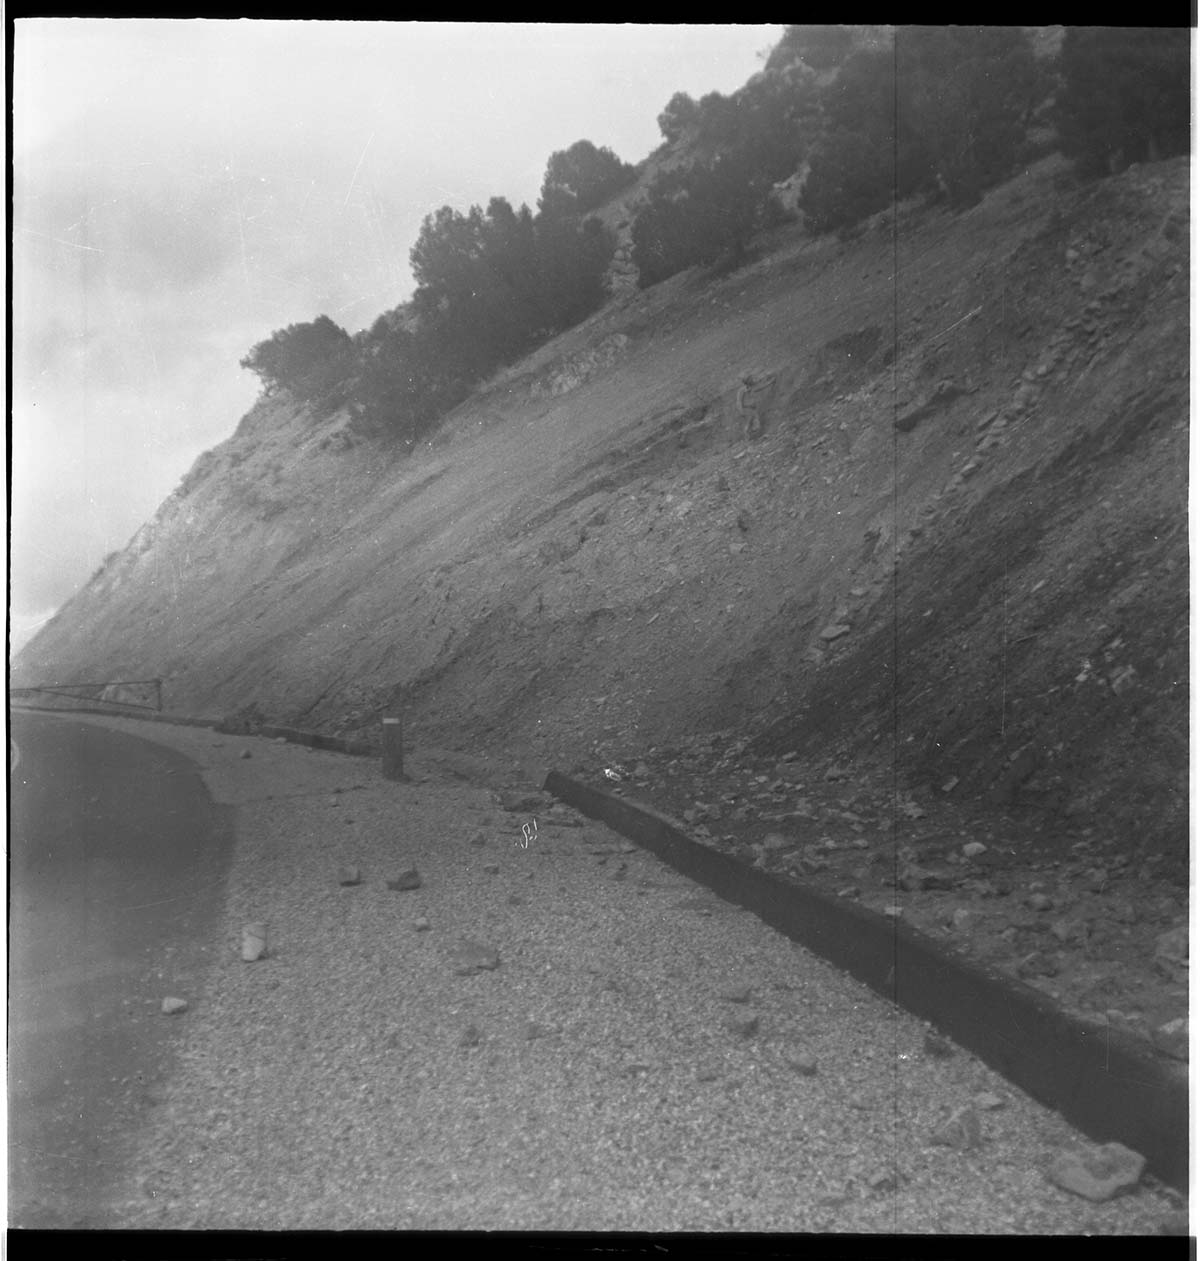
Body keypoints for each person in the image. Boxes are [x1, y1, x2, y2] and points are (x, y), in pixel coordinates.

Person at [737, 373, 763, 438]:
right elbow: (739, 401)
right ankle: (747, 437)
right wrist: (741, 411)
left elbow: (761, 387)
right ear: (746, 381)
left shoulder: (752, 388)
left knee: (756, 422)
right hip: (747, 409)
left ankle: (753, 436)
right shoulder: (741, 390)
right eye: (749, 379)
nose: (751, 380)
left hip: (753, 409)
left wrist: (770, 382)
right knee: (748, 423)